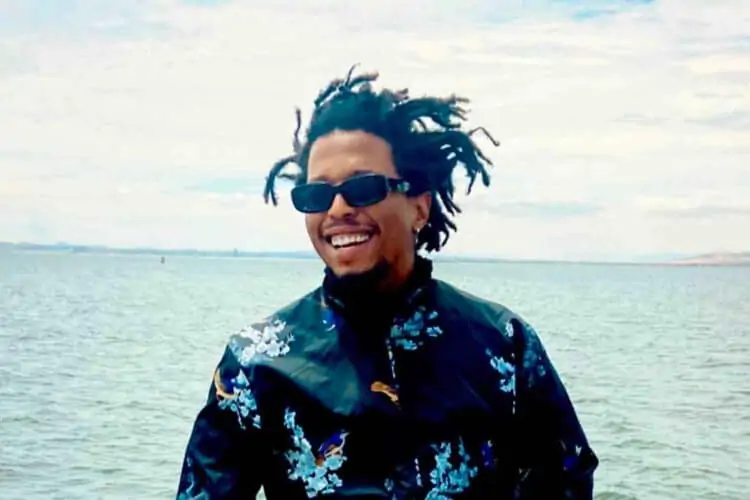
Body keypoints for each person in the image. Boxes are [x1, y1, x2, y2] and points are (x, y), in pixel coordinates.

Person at [176, 66, 598, 499]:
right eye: (317, 195)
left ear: (419, 207)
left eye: (363, 187)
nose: (338, 209)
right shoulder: (256, 363)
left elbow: (566, 478)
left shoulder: (504, 346)